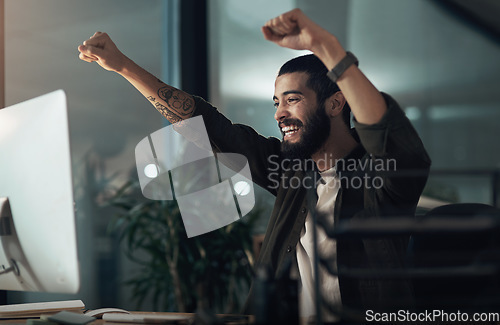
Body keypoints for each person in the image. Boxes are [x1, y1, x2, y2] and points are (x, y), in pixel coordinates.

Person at [78, 8, 431, 323]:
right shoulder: (292, 173)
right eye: (277, 102)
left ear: (336, 104)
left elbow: (386, 135)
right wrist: (122, 65)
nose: (279, 113)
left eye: (293, 100)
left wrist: (326, 46)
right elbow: (207, 127)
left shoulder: (382, 180)